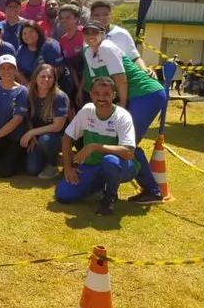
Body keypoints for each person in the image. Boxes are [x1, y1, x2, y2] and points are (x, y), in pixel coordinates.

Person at [79, 21, 167, 204]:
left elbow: (121, 80)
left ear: (103, 34)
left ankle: (150, 191)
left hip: (146, 94)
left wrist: (123, 106)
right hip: (135, 96)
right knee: (126, 143)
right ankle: (146, 188)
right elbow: (97, 82)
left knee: (126, 144)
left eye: (95, 31)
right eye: (86, 31)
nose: (90, 35)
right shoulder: (88, 52)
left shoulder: (107, 48)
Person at [55, 76, 140, 215]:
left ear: (113, 95)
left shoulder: (122, 116)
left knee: (110, 161)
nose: (101, 98)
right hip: (91, 165)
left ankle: (109, 199)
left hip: (121, 166)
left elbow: (128, 152)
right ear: (90, 95)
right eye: (97, 93)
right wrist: (68, 166)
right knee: (63, 195)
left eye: (106, 94)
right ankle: (99, 185)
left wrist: (94, 146)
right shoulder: (86, 111)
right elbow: (67, 138)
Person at [21, 64, 69, 178]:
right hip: (38, 137)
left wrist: (32, 133)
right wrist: (33, 137)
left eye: (50, 77)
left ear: (54, 79)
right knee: (32, 170)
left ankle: (52, 165)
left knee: (46, 139)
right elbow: (27, 119)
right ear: (35, 78)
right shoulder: (29, 94)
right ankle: (44, 157)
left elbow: (58, 126)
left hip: (57, 138)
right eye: (42, 76)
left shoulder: (60, 97)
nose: (46, 79)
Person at [89, 0, 153, 75]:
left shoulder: (121, 33)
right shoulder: (86, 35)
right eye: (97, 15)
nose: (101, 17)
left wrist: (145, 71)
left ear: (110, 16)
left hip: (121, 79)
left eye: (105, 14)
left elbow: (135, 58)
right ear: (91, 17)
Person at [14, 20, 67, 90]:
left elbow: (58, 69)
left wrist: (43, 87)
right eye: (24, 33)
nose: (28, 35)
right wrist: (29, 87)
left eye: (31, 32)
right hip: (31, 87)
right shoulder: (21, 49)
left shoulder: (51, 45)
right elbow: (18, 72)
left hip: (55, 85)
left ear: (38, 32)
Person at [56, 4, 85, 102]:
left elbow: (89, 65)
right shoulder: (63, 39)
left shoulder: (85, 33)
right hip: (75, 81)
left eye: (68, 17)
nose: (64, 20)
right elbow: (71, 66)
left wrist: (81, 89)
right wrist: (78, 89)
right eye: (61, 18)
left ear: (76, 19)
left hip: (90, 79)